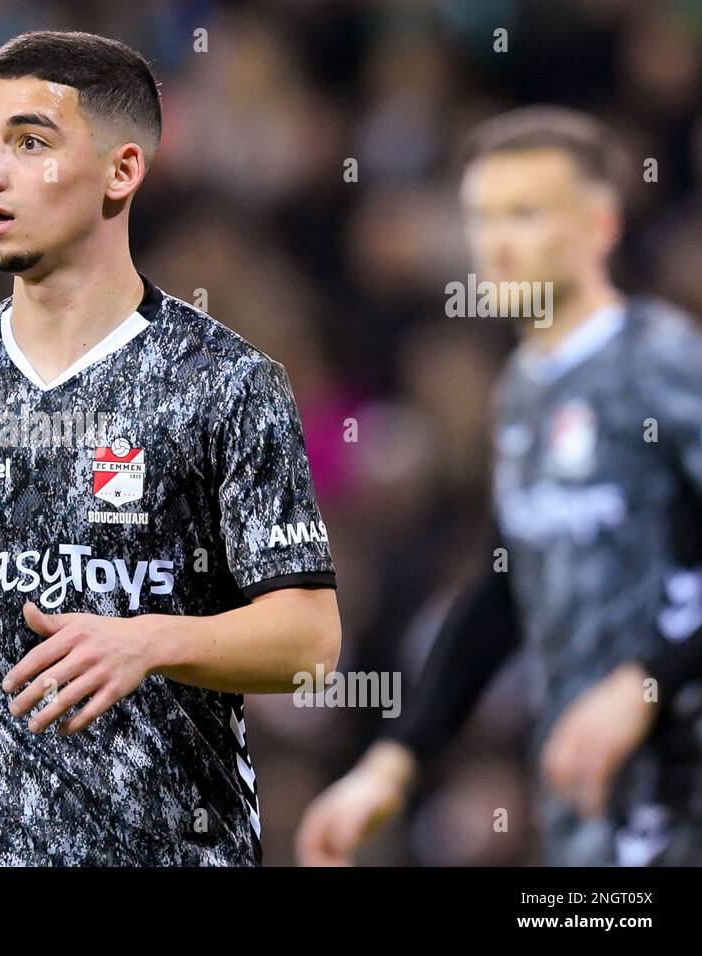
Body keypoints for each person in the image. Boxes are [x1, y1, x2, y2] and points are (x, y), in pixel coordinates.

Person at [0, 30, 342, 866]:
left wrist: (152, 640)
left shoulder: (225, 384)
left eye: (29, 142)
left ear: (122, 173)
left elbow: (310, 641)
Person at [296, 106, 702, 867]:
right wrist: (396, 760)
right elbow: (503, 589)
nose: (497, 242)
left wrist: (643, 685)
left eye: (526, 214)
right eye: (483, 216)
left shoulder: (665, 364)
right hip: (591, 806)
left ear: (598, 226)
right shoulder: (523, 390)